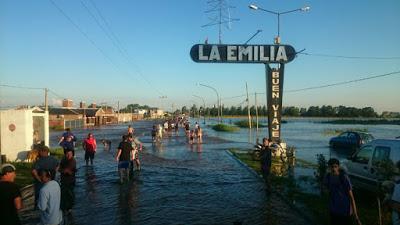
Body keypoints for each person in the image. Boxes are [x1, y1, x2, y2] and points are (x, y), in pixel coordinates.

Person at [323, 158, 361, 225]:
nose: (333, 169)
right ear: (329, 167)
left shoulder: (343, 177)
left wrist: (356, 216)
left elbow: (351, 197)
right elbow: (326, 192)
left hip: (345, 211)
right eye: (332, 167)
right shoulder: (328, 177)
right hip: (334, 211)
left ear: (338, 167)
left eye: (335, 166)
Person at [59, 149, 76, 215]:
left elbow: (67, 171)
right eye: (67, 154)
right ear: (65, 154)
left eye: (70, 154)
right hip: (63, 180)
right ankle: (64, 209)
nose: (69, 155)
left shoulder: (73, 160)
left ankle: (69, 208)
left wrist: (62, 170)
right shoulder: (63, 159)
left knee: (70, 194)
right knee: (63, 194)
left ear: (73, 154)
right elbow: (60, 169)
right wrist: (64, 170)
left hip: (70, 181)